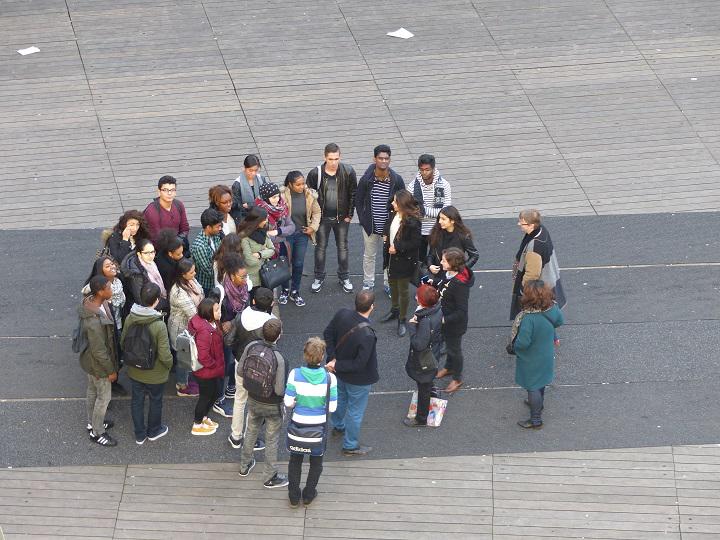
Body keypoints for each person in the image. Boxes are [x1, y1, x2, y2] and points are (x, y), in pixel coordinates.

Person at [324, 291, 378, 456]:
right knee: (355, 411)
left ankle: (338, 426)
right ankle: (350, 445)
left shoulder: (342, 314)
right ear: (372, 307)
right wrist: (337, 364)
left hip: (337, 373)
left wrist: (333, 360)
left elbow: (328, 334)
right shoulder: (367, 334)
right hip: (358, 379)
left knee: (340, 399)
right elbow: (360, 363)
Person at [285, 337, 337, 507]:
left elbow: (288, 402)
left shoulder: (295, 374)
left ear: (304, 355)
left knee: (295, 461)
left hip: (298, 425)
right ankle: (308, 494)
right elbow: (332, 408)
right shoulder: (330, 379)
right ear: (322, 357)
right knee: (316, 462)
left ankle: (293, 496)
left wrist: (297, 402)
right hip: (318, 428)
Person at [238, 319, 289, 489]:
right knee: (272, 438)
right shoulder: (279, 358)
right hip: (272, 405)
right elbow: (280, 390)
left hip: (253, 398)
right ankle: (269, 476)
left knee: (251, 430)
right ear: (280, 335)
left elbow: (240, 371)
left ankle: (244, 465)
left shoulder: (251, 347)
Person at [122, 283, 173, 445]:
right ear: (157, 301)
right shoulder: (158, 325)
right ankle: (154, 430)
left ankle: (139, 434)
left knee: (137, 401)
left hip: (135, 370)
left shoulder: (131, 318)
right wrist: (169, 365)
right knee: (155, 400)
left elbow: (124, 341)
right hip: (155, 373)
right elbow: (165, 354)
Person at [224, 287, 275, 448]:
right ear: (271, 303)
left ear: (253, 301)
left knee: (240, 399)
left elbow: (229, 340)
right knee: (254, 403)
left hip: (241, 362)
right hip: (260, 368)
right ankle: (251, 439)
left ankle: (235, 436)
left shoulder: (242, 315)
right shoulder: (271, 322)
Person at [511, 280, 564, 429]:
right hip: (546, 353)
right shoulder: (552, 309)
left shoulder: (528, 318)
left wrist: (514, 347)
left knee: (532, 385)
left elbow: (523, 343)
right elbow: (559, 322)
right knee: (541, 382)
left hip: (531, 358)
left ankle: (536, 419)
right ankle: (539, 403)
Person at [307, 143, 357, 294]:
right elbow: (309, 197)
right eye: (330, 159)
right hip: (322, 219)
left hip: (342, 218)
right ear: (325, 157)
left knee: (342, 248)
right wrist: (313, 219)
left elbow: (353, 193)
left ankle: (344, 276)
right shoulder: (315, 173)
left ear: (340, 157)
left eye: (336, 158)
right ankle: (319, 277)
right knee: (320, 248)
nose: (334, 162)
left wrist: (349, 215)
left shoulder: (348, 171)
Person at [355, 144, 405, 295]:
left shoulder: (396, 180)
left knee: (389, 256)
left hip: (389, 227)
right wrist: (363, 220)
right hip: (370, 225)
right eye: (380, 158)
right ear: (374, 159)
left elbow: (403, 200)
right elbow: (359, 200)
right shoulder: (366, 180)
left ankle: (388, 283)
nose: (383, 161)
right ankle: (368, 283)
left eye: (386, 158)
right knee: (369, 255)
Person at [78, 276, 119, 447]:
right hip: (99, 365)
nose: (112, 290)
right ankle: (97, 432)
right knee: (103, 397)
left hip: (89, 361)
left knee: (92, 392)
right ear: (101, 291)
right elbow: (100, 351)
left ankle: (92, 422)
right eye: (109, 288)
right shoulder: (94, 321)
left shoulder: (92, 302)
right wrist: (110, 370)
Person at [380, 189, 422, 337]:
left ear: (402, 204)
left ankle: (402, 319)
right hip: (391, 259)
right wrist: (385, 234)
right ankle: (394, 310)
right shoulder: (394, 214)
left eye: (395, 201)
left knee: (403, 290)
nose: (392, 203)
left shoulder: (413, 221)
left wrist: (397, 248)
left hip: (404, 261)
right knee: (393, 286)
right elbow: (388, 225)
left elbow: (416, 243)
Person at [432, 247, 475, 393]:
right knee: (450, 347)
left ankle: (457, 378)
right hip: (445, 319)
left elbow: (461, 312)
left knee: (455, 350)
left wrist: (444, 320)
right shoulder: (448, 273)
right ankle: (449, 368)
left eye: (444, 260)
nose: (441, 262)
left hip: (453, 324)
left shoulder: (459, 285)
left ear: (453, 263)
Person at [83, 256, 127, 396]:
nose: (112, 267)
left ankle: (114, 383)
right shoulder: (95, 289)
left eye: (112, 264)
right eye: (107, 266)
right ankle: (104, 391)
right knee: (107, 354)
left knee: (117, 355)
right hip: (106, 328)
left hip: (118, 324)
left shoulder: (118, 282)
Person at [511, 209, 566, 320]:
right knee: (546, 313)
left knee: (536, 313)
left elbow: (532, 274)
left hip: (538, 288)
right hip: (549, 278)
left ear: (531, 225)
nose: (519, 225)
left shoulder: (534, 246)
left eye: (522, 223)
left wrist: (523, 290)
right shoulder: (542, 230)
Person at [279, 171, 321, 307]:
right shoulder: (282, 196)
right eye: (298, 184)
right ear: (290, 184)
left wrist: (312, 227)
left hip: (302, 234)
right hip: (286, 235)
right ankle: (285, 290)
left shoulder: (309, 195)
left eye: (303, 183)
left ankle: (295, 291)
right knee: (285, 263)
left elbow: (317, 212)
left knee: (298, 264)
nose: (302, 187)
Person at [403, 284, 443, 428]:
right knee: (427, 383)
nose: (415, 297)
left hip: (425, 360)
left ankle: (421, 419)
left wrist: (412, 327)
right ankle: (432, 389)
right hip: (434, 353)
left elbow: (419, 344)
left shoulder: (425, 320)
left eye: (417, 296)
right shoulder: (437, 310)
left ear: (422, 302)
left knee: (423, 387)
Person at [187, 298, 225, 436]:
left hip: (211, 370)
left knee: (213, 393)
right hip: (206, 371)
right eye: (216, 310)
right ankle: (197, 424)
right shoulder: (204, 331)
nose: (219, 312)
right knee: (206, 397)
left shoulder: (211, 323)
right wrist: (214, 365)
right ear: (208, 312)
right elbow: (203, 356)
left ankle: (203, 418)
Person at [167, 258, 204, 397]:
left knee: (189, 356)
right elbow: (193, 314)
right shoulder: (178, 293)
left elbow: (200, 293)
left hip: (191, 328)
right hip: (181, 330)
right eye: (191, 272)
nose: (194, 274)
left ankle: (187, 380)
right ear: (183, 274)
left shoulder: (190, 281)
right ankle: (181, 385)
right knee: (183, 358)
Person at [406, 154, 452, 261]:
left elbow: (446, 212)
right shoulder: (412, 186)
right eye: (421, 170)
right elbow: (409, 210)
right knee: (419, 262)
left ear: (433, 168)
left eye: (427, 169)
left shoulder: (444, 185)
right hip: (418, 231)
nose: (424, 172)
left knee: (437, 261)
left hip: (438, 230)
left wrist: (422, 209)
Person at [120, 238, 169, 317]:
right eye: (146, 253)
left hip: (157, 299)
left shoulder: (151, 263)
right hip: (147, 309)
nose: (151, 256)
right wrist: (164, 303)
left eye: (152, 252)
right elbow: (140, 300)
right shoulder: (136, 273)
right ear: (139, 254)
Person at [426, 206, 478, 277]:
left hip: (455, 276)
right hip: (438, 275)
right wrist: (430, 265)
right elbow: (431, 254)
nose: (439, 221)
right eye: (439, 218)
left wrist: (460, 270)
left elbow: (474, 255)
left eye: (443, 219)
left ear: (452, 221)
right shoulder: (436, 233)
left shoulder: (463, 236)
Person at [143, 175, 190, 247]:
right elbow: (156, 239)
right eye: (165, 190)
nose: (169, 193)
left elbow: (185, 228)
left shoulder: (179, 205)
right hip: (159, 251)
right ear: (159, 192)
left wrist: (178, 241)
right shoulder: (152, 211)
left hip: (177, 245)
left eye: (172, 190)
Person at [255, 182, 295, 259]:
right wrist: (284, 236)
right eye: (274, 197)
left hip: (282, 247)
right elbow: (262, 236)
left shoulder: (282, 207)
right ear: (266, 198)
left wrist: (278, 231)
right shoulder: (259, 211)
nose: (277, 199)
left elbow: (292, 227)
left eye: (278, 196)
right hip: (265, 251)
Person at [238, 207, 275, 287]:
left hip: (266, 275)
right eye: (264, 219)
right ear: (257, 221)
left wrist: (259, 254)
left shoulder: (263, 231)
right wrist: (266, 253)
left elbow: (272, 250)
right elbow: (250, 261)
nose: (266, 221)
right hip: (253, 280)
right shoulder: (244, 237)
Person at [190, 208, 224, 296]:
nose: (220, 229)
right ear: (208, 227)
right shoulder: (200, 246)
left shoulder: (215, 235)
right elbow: (209, 272)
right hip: (208, 286)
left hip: (218, 279)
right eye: (217, 227)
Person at [231, 154, 268, 223]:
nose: (253, 173)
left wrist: (250, 205)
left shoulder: (261, 179)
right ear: (244, 168)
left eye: (256, 170)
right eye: (250, 170)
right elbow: (237, 206)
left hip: (263, 216)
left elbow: (267, 198)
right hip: (246, 218)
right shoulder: (237, 185)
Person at [154, 228, 184, 293]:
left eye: (182, 252)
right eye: (178, 254)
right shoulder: (168, 269)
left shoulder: (163, 251)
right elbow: (169, 286)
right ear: (170, 254)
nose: (182, 256)